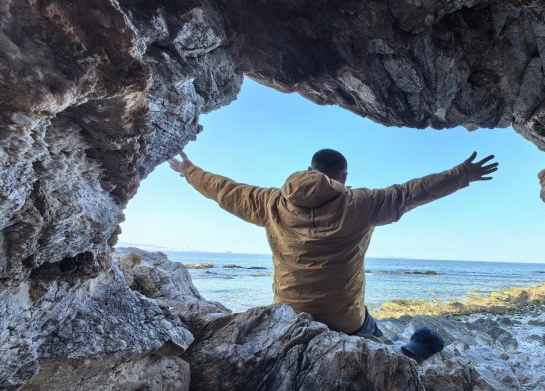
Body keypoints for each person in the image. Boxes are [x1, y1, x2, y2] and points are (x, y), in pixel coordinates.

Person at [168, 148, 498, 361]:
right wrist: (462, 174)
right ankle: (405, 354)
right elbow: (412, 192)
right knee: (382, 342)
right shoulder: (362, 203)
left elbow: (224, 190)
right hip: (346, 322)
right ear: (342, 177)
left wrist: (189, 171)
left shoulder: (270, 202)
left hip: (290, 317)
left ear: (309, 170)